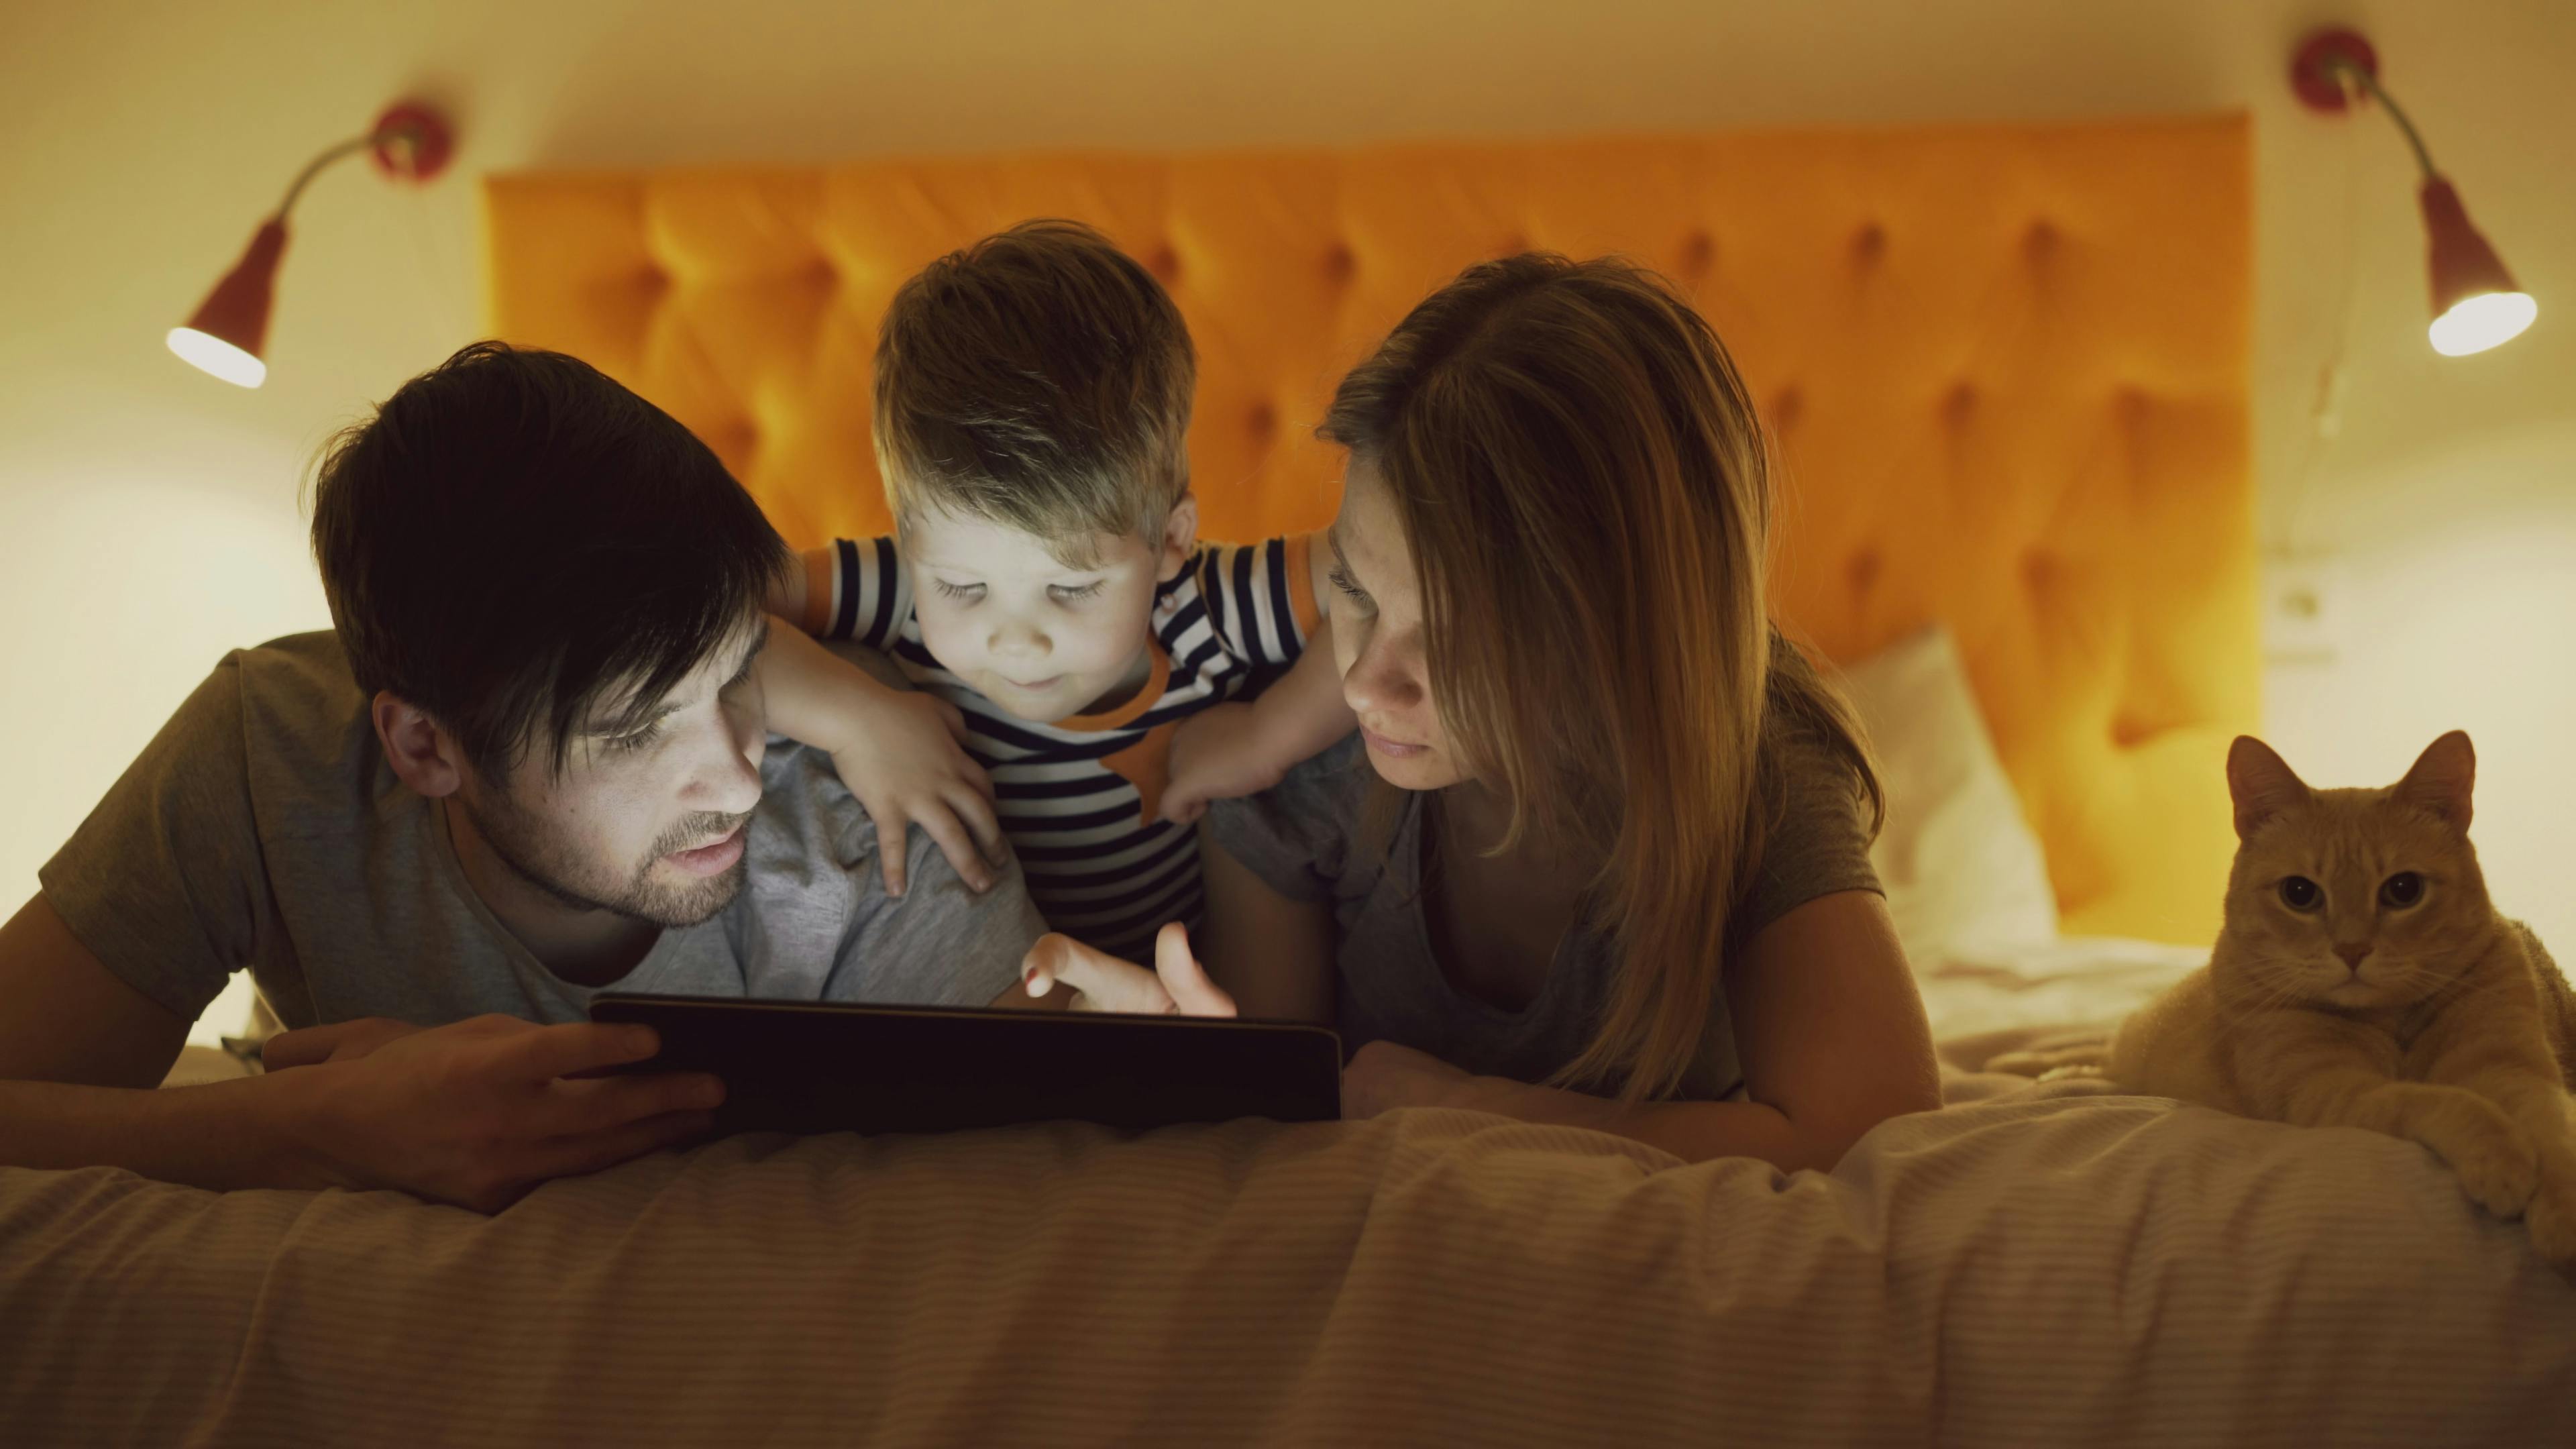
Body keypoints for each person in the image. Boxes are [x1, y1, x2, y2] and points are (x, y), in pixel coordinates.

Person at [0, 342, 1054, 1211]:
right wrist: (305, 1130)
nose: (739, 780)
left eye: (741, 676)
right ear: (426, 749)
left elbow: (1039, 1159)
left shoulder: (877, 810)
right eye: (635, 733)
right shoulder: (265, 754)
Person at [1025, 255, 1944, 1172]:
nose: (1364, 686)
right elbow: (1277, 1138)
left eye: (1459, 637)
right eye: (1351, 585)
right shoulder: (1309, 772)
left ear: (1629, 634)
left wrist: (1464, 1106)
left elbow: (1872, 1128)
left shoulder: (1752, 761)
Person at [749, 219, 1358, 963]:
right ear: (911, 544)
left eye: (1071, 590)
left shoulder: (1208, 613)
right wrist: (857, 720)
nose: (1016, 639)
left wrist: (1271, 736)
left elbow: (1392, 577)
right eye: (965, 587)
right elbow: (696, 612)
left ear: (1169, 541)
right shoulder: (894, 588)